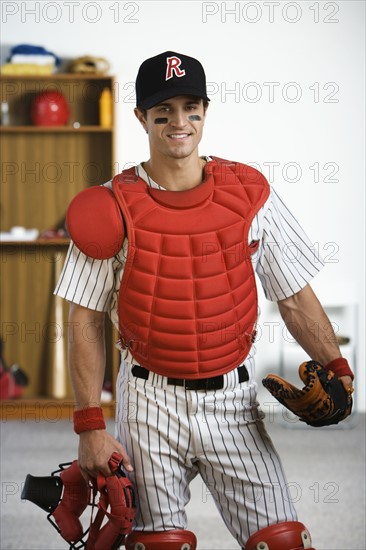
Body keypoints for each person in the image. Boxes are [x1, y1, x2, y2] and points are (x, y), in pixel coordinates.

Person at [55, 51, 354, 550]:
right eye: (164, 110)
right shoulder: (108, 207)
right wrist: (89, 426)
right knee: (158, 546)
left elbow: (296, 297)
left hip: (232, 399)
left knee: (282, 541)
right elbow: (83, 319)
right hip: (149, 401)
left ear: (205, 111)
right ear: (141, 117)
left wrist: (337, 366)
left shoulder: (250, 194)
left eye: (191, 107)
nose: (180, 121)